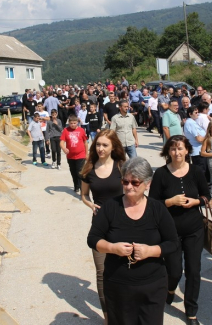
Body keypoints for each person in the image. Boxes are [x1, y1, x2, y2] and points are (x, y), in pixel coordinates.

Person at [87, 157, 178, 325]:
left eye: (135, 182)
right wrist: (113, 248)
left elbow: (173, 243)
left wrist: (150, 251)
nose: (129, 186)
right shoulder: (110, 207)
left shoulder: (158, 209)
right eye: (125, 181)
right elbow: (93, 239)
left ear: (147, 184)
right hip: (117, 286)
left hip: (152, 286)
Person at [149, 135, 210, 325]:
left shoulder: (197, 171)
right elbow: (152, 204)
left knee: (193, 270)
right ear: (168, 151)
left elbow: (206, 196)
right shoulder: (160, 174)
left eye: (180, 148)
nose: (177, 152)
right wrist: (170, 201)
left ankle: (191, 310)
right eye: (173, 149)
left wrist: (197, 201)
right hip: (170, 231)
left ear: (187, 151)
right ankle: (170, 288)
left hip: (194, 229)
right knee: (174, 270)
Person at [81, 130, 126, 324]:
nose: (100, 148)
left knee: (124, 269)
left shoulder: (122, 166)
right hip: (99, 227)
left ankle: (124, 309)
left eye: (105, 145)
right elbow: (83, 195)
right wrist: (90, 204)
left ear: (113, 147)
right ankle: (108, 318)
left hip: (123, 225)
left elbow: (133, 189)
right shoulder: (88, 169)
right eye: (98, 145)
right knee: (102, 273)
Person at [60, 115, 88, 194]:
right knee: (73, 172)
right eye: (71, 123)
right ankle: (76, 186)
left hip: (81, 155)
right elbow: (61, 142)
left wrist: (87, 154)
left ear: (77, 123)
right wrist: (64, 148)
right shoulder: (66, 130)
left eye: (74, 123)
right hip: (70, 156)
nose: (72, 125)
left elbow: (85, 142)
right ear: (68, 123)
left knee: (80, 172)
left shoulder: (81, 130)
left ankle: (83, 191)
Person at [184, 106, 207, 177]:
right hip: (197, 151)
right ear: (190, 114)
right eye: (196, 112)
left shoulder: (193, 122)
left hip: (200, 150)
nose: (198, 114)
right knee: (200, 172)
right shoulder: (190, 123)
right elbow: (199, 139)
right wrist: (208, 139)